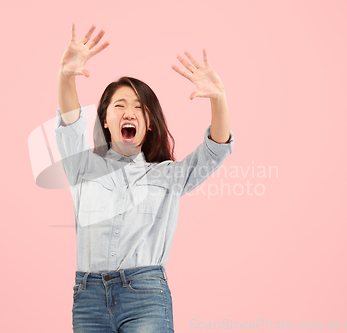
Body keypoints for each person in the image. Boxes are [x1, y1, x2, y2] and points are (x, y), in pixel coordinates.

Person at [54, 23, 234, 333]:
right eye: (119, 105)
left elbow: (215, 151)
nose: (129, 112)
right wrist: (66, 74)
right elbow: (69, 123)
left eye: (139, 107)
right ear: (106, 121)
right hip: (88, 298)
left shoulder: (169, 175)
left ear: (149, 124)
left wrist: (218, 99)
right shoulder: (82, 168)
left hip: (145, 295)